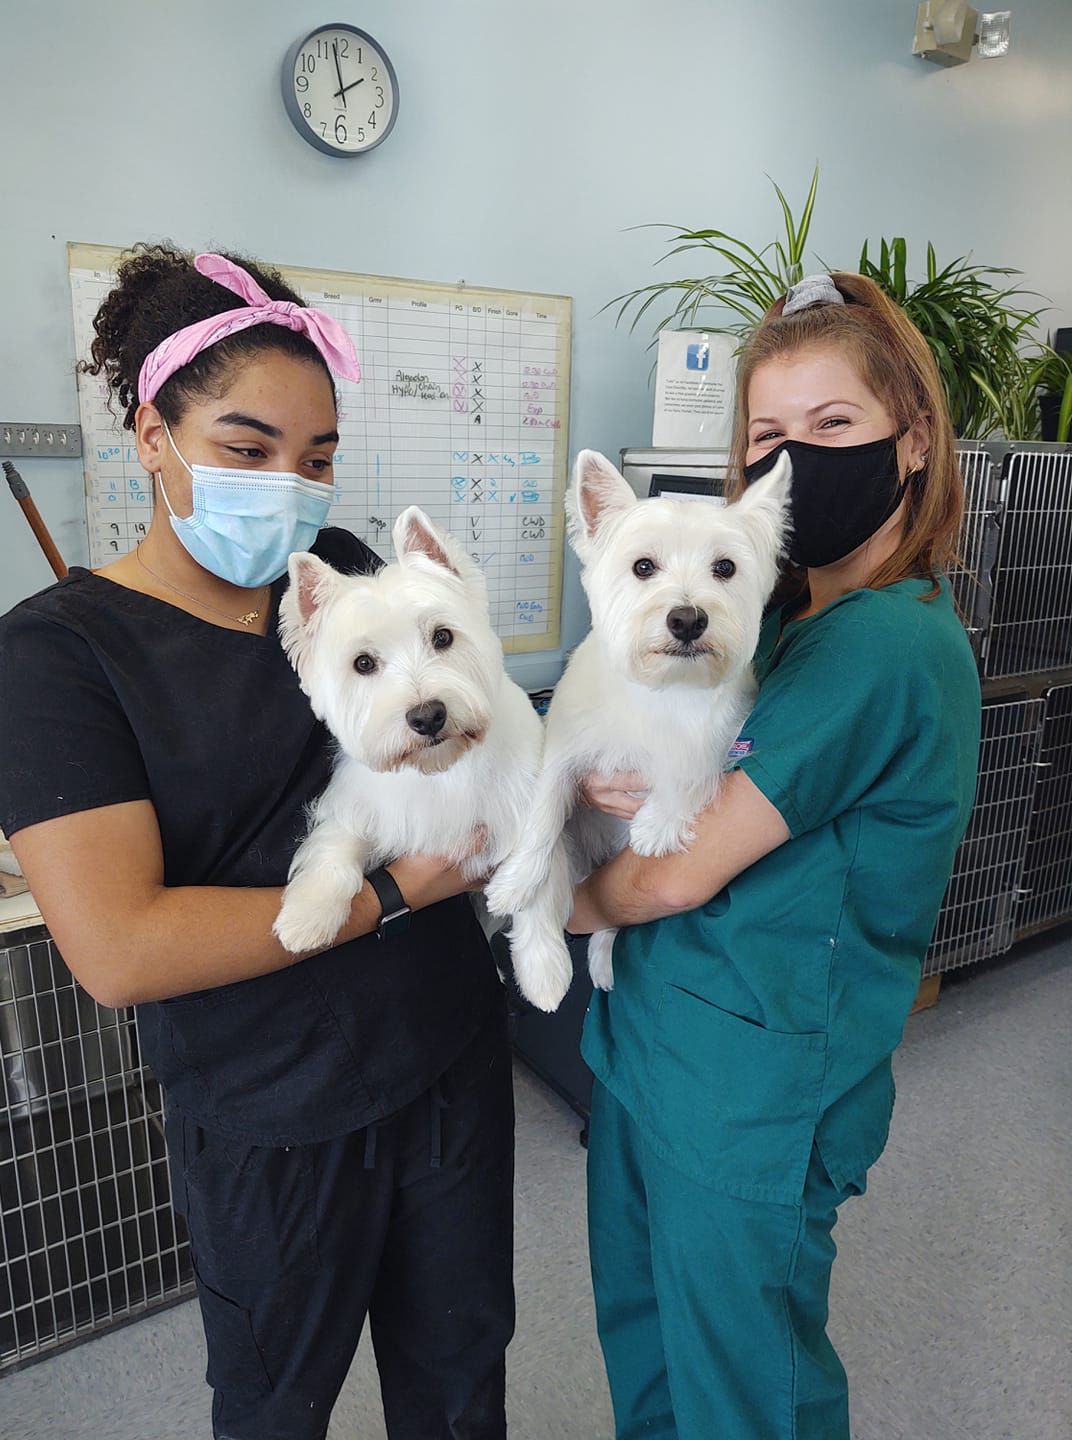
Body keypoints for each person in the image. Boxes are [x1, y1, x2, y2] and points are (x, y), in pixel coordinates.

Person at [0, 245, 514, 1440]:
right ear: (151, 437)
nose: (290, 484)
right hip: (270, 1119)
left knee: (458, 1383)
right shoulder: (59, 658)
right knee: (278, 1406)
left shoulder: (339, 578)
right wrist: (400, 888)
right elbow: (119, 949)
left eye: (318, 457)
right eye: (246, 448)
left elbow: (457, 716)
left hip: (444, 1058)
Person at [569, 272, 982, 1440]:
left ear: (910, 441)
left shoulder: (884, 650)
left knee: (745, 1390)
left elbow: (675, 871)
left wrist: (549, 899)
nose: (794, 461)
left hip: (754, 1091)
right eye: (766, 436)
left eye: (832, 426)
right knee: (647, 1343)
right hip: (658, 1048)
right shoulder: (786, 622)